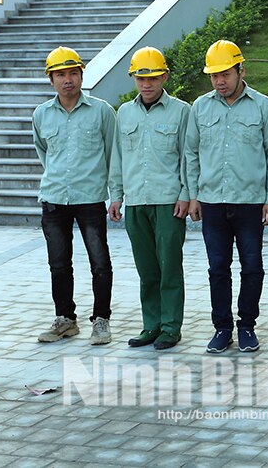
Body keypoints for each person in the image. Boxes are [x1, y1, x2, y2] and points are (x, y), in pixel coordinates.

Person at [184, 39, 268, 354]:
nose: (220, 81)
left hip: (251, 201)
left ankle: (247, 326)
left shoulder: (263, 106)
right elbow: (191, 153)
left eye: (226, 74)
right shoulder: (200, 107)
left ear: (241, 69)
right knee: (217, 267)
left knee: (252, 265)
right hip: (212, 201)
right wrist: (195, 194)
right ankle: (222, 328)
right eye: (214, 76)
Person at [33, 46, 117, 345]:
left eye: (72, 73)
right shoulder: (41, 114)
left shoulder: (102, 111)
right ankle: (65, 319)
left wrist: (114, 192)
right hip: (54, 198)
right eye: (60, 75)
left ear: (81, 75)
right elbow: (45, 152)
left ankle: (102, 320)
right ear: (51, 80)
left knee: (99, 262)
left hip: (90, 198)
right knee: (58, 262)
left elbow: (112, 154)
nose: (67, 80)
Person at [108, 47, 190, 350]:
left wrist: (186, 194)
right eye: (141, 78)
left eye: (153, 77)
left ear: (165, 76)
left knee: (169, 266)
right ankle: (151, 325)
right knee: (146, 269)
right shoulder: (124, 113)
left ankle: (171, 327)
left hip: (169, 201)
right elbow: (118, 157)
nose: (147, 84)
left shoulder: (181, 111)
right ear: (133, 78)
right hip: (136, 202)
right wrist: (116, 196)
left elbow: (188, 157)